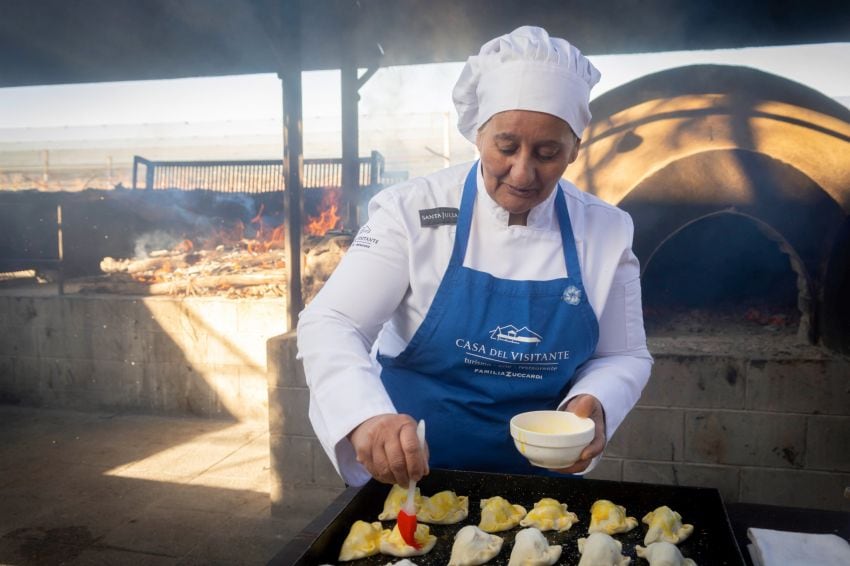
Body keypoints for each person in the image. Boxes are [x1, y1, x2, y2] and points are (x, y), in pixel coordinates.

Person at [297, 26, 652, 488]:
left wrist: (594, 400)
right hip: (413, 473)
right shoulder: (411, 212)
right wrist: (366, 416)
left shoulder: (605, 230)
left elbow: (624, 354)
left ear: (575, 151)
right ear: (478, 135)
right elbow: (333, 321)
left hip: (543, 483)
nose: (523, 173)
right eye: (505, 147)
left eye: (548, 153)